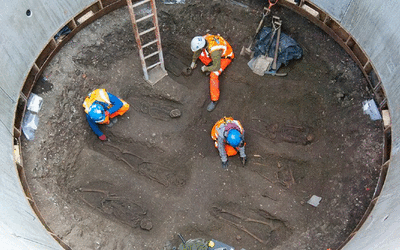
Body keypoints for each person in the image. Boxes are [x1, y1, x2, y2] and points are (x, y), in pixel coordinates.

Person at [190, 34, 234, 112]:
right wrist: (193, 61)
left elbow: (217, 67)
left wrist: (206, 68)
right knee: (201, 54)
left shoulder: (214, 51)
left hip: (225, 57)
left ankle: (214, 100)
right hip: (216, 53)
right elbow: (198, 51)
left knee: (214, 75)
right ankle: (210, 66)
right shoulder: (203, 39)